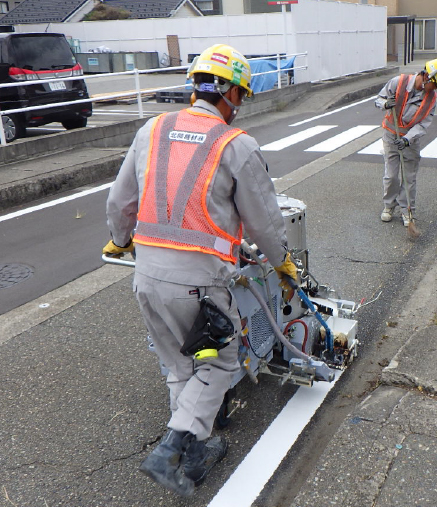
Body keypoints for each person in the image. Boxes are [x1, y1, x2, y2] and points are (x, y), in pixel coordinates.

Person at [103, 43, 296, 497]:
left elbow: (119, 202)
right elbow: (264, 222)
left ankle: (195, 454)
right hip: (199, 285)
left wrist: (120, 238)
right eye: (241, 95)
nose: (240, 105)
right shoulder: (236, 145)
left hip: (146, 276)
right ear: (227, 92)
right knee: (220, 363)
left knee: (179, 364)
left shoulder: (152, 129)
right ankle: (172, 448)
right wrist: (283, 261)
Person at [375, 58, 437, 226]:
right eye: (435, 85)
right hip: (390, 135)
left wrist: (407, 139)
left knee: (409, 177)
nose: (435, 89)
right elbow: (378, 99)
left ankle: (408, 211)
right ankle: (389, 206)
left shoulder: (431, 99)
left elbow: (423, 124)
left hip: (410, 141)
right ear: (426, 77)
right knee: (391, 176)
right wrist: (386, 103)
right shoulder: (399, 82)